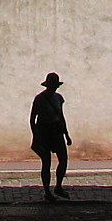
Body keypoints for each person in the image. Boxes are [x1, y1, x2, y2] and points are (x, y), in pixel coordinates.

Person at [30, 72, 73, 202]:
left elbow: (61, 116)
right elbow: (32, 119)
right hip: (44, 131)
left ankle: (58, 186)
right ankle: (47, 191)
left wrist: (66, 134)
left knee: (63, 160)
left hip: (57, 131)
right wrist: (36, 135)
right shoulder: (39, 99)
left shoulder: (59, 98)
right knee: (46, 162)